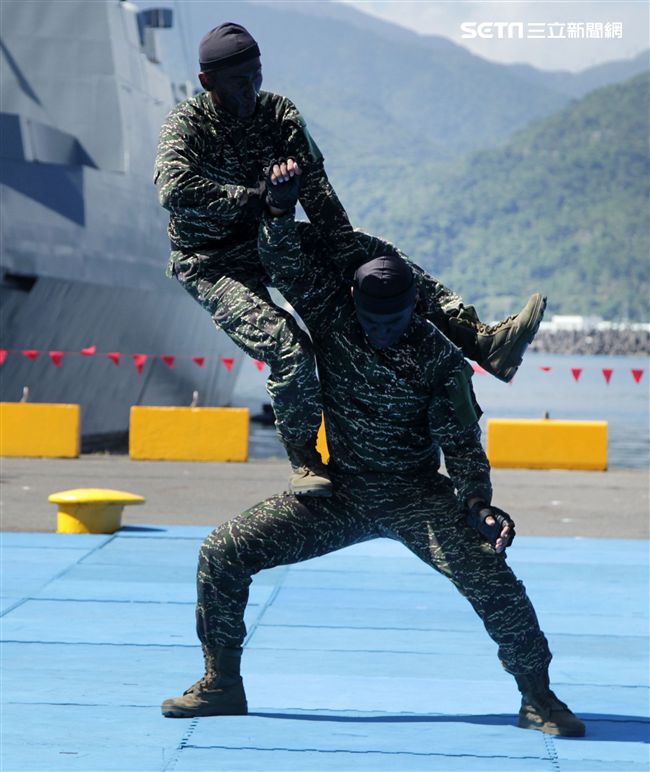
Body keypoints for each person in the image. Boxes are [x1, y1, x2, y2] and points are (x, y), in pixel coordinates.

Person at [160, 166, 585, 738]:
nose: (382, 331)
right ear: (353, 301)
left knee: (494, 579)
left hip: (415, 494)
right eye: (372, 319)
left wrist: (479, 505)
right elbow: (286, 266)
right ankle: (221, 683)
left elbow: (462, 442)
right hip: (339, 491)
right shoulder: (334, 315)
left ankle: (539, 697)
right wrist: (281, 213)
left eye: (395, 320)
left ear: (416, 307)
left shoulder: (440, 360)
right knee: (222, 552)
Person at [154, 22, 546, 497]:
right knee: (288, 349)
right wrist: (258, 196)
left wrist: (349, 256)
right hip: (211, 261)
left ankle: (483, 343)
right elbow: (173, 191)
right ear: (207, 82)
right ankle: (305, 460)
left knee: (376, 254)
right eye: (239, 81)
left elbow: (317, 193)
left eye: (256, 75)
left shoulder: (279, 114)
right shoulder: (187, 124)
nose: (252, 89)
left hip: (267, 236)